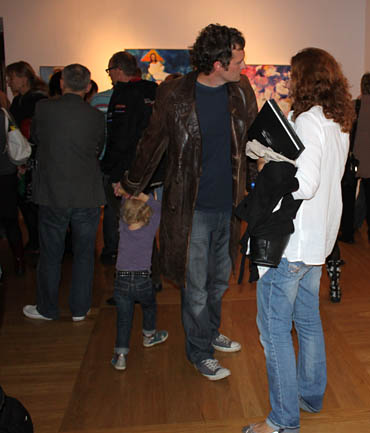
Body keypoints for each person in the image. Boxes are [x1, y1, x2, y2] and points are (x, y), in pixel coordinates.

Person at [117, 23, 258, 380]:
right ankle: (199, 352)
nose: (244, 65)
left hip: (230, 206)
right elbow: (152, 142)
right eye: (238, 60)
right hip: (190, 208)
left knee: (219, 282)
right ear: (218, 64)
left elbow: (252, 141)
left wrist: (259, 185)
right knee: (195, 287)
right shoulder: (175, 94)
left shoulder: (241, 91)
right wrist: (132, 183)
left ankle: (210, 332)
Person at [243, 47, 355, 433]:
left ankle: (282, 421)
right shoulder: (336, 120)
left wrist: (267, 163)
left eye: (293, 74)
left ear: (305, 78)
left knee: (273, 329)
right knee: (307, 319)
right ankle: (310, 395)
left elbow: (304, 184)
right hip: (318, 240)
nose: (289, 80)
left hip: (292, 243)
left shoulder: (308, 120)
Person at [22, 63, 105, 321]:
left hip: (53, 191)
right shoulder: (96, 116)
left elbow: (35, 138)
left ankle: (47, 308)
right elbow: (99, 147)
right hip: (87, 192)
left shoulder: (43, 108)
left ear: (61, 83)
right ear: (88, 87)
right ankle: (80, 309)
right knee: (84, 254)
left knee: (50, 253)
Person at [100, 52, 157, 266]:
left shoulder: (123, 94)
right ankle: (151, 272)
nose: (109, 75)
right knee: (145, 222)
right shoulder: (153, 90)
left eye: (110, 71)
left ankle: (130, 275)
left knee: (128, 223)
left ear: (118, 70)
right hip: (151, 169)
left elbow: (120, 137)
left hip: (126, 171)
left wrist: (112, 171)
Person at [111, 190, 168, 371]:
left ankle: (121, 356)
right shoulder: (149, 228)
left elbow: (123, 204)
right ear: (146, 215)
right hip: (143, 279)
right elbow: (159, 208)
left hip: (121, 280)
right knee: (149, 307)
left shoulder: (123, 226)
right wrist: (144, 197)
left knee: (124, 319)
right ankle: (149, 336)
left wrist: (125, 193)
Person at [340, 72, 370, 244]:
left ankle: (347, 233)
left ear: (362, 86)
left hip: (354, 157)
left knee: (348, 197)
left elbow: (345, 126)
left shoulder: (354, 106)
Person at [6, 61, 48, 253]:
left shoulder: (36, 100)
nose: (9, 82)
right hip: (24, 158)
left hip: (34, 159)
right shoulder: (20, 101)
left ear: (23, 78)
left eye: (11, 77)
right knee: (27, 203)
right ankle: (35, 240)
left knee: (33, 204)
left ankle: (39, 242)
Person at [0, 108, 25, 276]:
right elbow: (15, 137)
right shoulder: (3, 115)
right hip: (6, 173)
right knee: (11, 221)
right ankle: (19, 261)